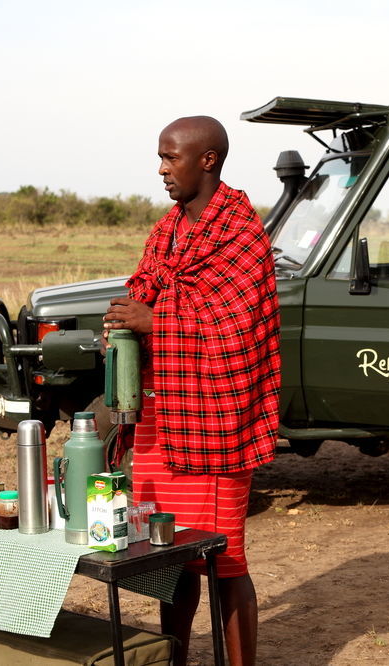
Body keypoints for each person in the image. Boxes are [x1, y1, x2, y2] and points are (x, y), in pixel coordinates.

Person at [102, 116, 281, 666]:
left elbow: (237, 329)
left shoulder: (243, 236)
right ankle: (175, 660)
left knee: (226, 561)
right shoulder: (167, 231)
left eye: (169, 158)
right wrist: (124, 316)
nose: (161, 169)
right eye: (159, 157)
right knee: (171, 553)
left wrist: (155, 322)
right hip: (162, 418)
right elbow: (144, 288)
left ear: (207, 160)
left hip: (216, 421)